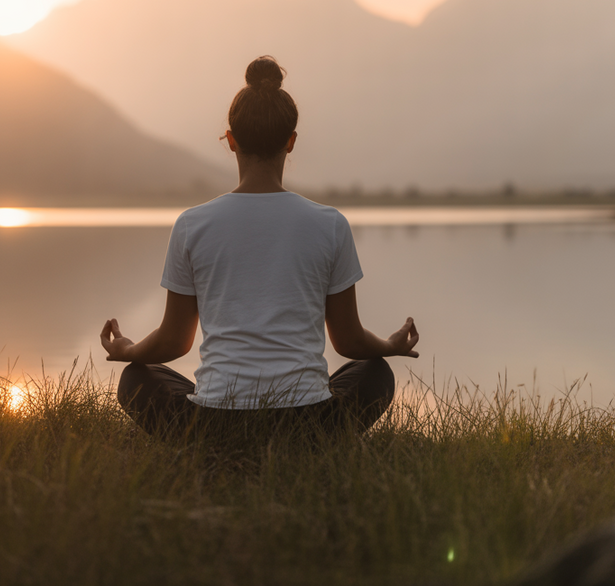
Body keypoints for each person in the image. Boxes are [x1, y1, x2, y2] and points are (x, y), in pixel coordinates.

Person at [99, 56, 419, 440]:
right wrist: (390, 344)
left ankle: (217, 455)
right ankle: (309, 449)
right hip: (307, 424)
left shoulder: (192, 224)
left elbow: (173, 342)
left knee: (136, 378)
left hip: (214, 427)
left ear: (231, 140)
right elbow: (349, 341)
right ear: (291, 141)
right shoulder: (329, 224)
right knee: (376, 371)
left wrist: (127, 350)